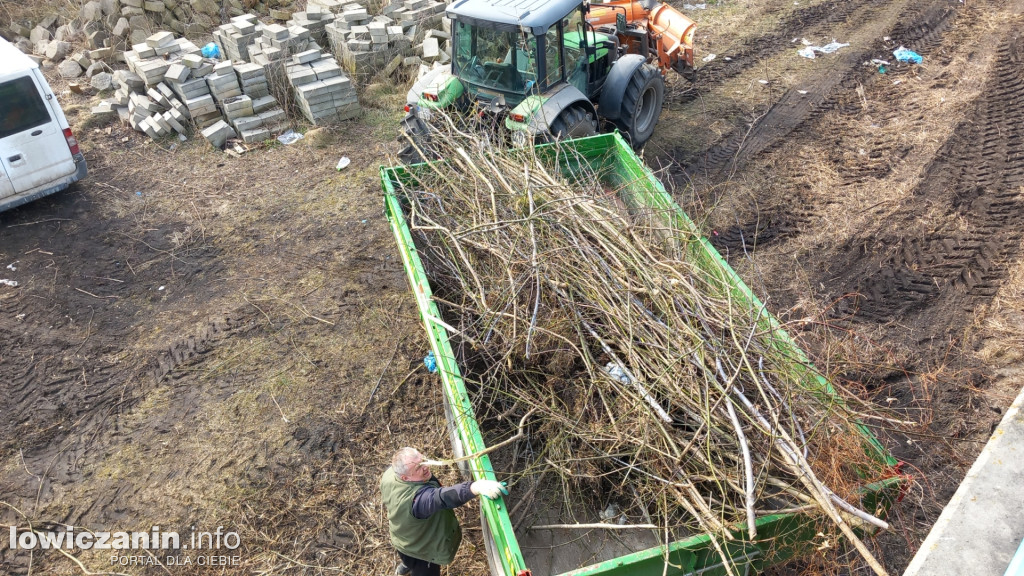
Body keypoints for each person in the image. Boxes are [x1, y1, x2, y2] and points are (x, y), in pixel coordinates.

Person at [380, 447, 509, 576]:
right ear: (405, 478)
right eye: (418, 468)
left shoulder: (390, 474)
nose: (425, 466)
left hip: (401, 537)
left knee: (407, 559)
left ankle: (407, 566)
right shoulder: (418, 501)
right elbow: (442, 498)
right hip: (421, 551)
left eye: (423, 460)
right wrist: (475, 487)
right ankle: (411, 566)